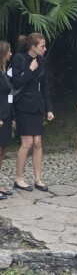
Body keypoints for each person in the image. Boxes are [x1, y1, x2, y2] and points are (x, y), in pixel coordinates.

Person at [12, 33, 54, 192]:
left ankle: (38, 178)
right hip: (23, 106)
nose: (45, 48)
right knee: (27, 143)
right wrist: (30, 70)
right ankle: (19, 178)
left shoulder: (42, 60)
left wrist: (49, 108)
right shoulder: (19, 58)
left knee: (37, 143)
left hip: (37, 106)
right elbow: (16, 82)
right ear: (33, 47)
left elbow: (45, 87)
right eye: (42, 46)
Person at [0, 41, 13, 200]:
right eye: (9, 51)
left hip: (6, 115)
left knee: (2, 151)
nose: (11, 54)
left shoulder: (4, 71)